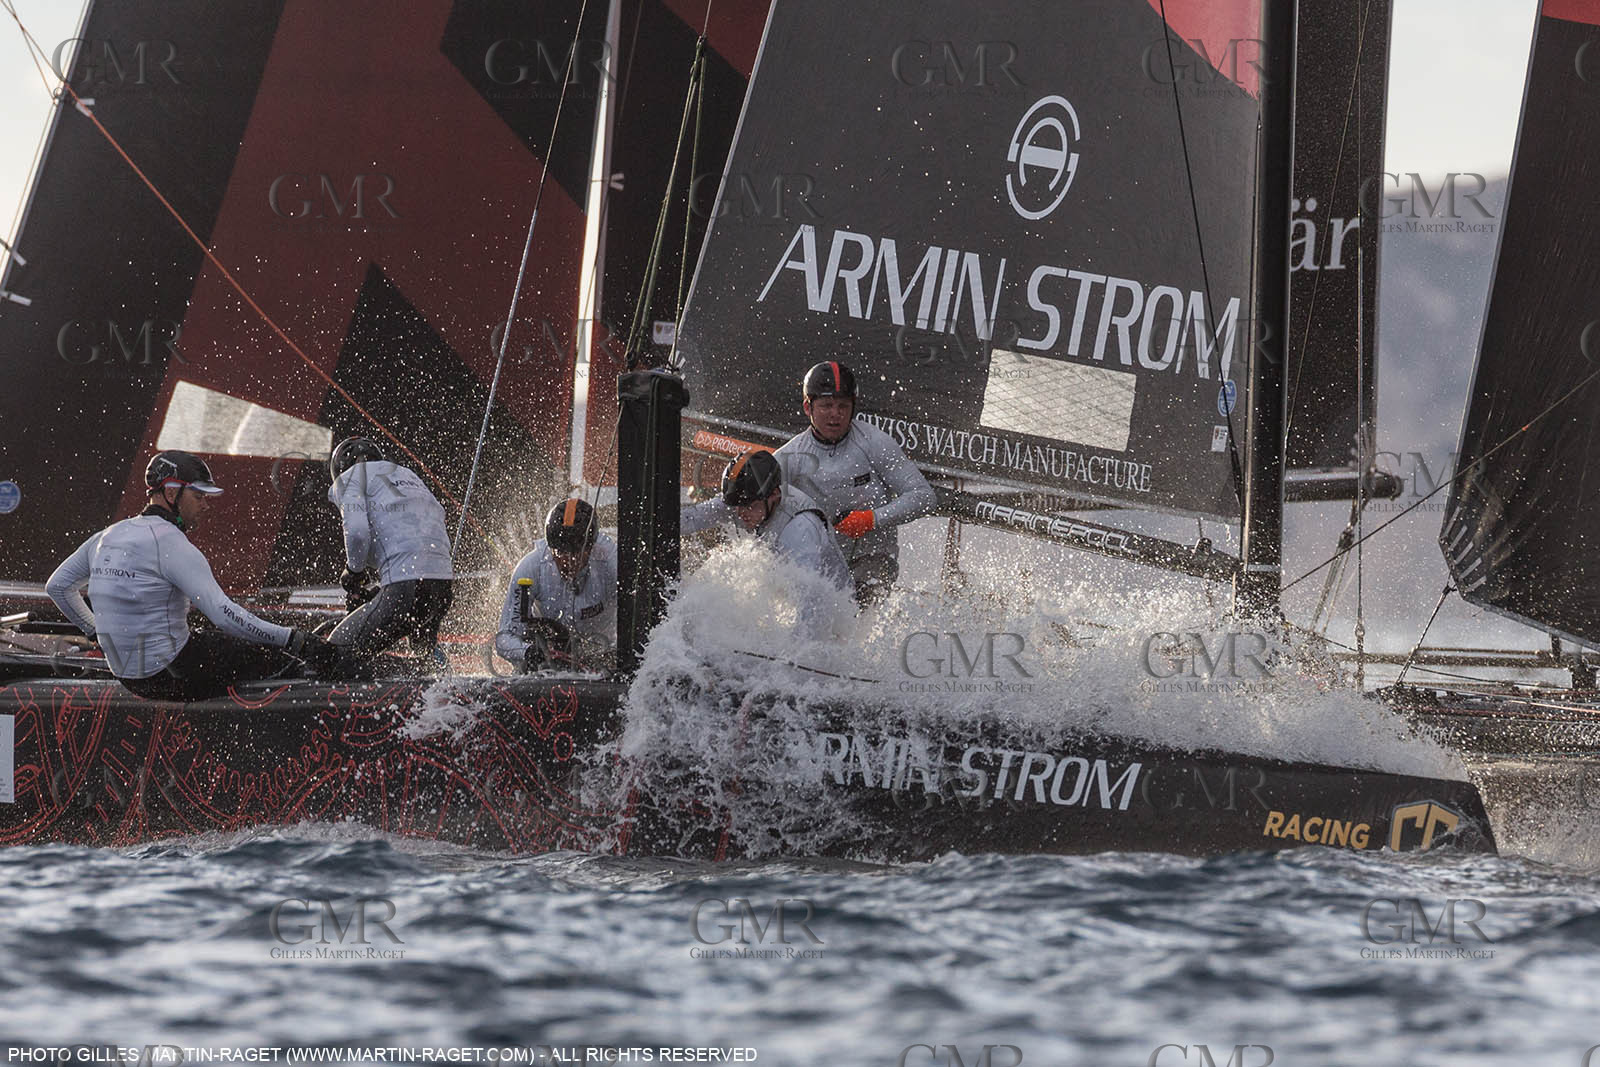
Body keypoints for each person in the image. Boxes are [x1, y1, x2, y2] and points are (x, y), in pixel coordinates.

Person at [45, 450, 338, 701]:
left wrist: (94, 631)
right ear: (172, 493)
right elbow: (224, 615)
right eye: (198, 496)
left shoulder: (106, 536)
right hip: (172, 673)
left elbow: (58, 587)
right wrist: (295, 640)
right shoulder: (170, 543)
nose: (205, 505)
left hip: (128, 678)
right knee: (275, 657)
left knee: (210, 642)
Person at [777, 361, 936, 603]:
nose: (835, 414)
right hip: (820, 562)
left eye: (843, 406)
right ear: (808, 407)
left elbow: (924, 497)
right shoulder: (792, 455)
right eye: (827, 405)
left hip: (874, 557)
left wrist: (871, 519)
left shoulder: (875, 443)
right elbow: (752, 504)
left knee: (854, 608)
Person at [325, 437, 455, 670]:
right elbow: (422, 528)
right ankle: (434, 674)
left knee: (335, 654)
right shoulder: (407, 475)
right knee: (421, 651)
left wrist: (354, 572)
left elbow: (356, 533)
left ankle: (413, 673)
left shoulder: (350, 478)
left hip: (406, 587)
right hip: (442, 585)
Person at [494, 497, 618, 672]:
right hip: (548, 658)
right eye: (560, 552)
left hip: (602, 655)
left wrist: (616, 652)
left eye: (576, 552)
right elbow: (504, 639)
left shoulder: (612, 562)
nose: (567, 560)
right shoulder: (531, 566)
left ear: (591, 547)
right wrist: (528, 652)